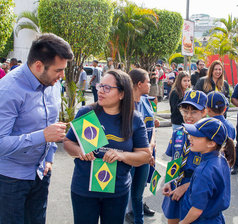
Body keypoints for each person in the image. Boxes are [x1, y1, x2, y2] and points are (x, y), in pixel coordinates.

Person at [0, 33, 73, 224]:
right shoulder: (9, 90)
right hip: (10, 180)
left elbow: (53, 123)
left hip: (41, 174)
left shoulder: (53, 83)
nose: (62, 76)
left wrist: (49, 158)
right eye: (58, 70)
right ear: (38, 65)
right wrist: (42, 136)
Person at [63, 69, 151, 224]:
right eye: (100, 86)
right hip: (84, 189)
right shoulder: (87, 113)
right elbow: (68, 142)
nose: (101, 91)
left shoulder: (134, 119)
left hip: (117, 192)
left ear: (122, 94)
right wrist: (79, 150)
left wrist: (122, 155)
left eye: (107, 88)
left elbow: (145, 155)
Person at [162, 90, 207, 224]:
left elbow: (207, 174)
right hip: (176, 185)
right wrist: (169, 181)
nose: (188, 116)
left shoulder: (207, 138)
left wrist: (185, 187)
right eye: (185, 111)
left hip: (196, 188)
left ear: (204, 112)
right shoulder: (178, 133)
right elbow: (174, 160)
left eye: (194, 112)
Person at [179, 117, 235, 224]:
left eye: (196, 136)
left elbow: (197, 210)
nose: (190, 138)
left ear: (211, 143)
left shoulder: (204, 171)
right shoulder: (221, 159)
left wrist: (182, 223)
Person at [125, 68, 156, 224]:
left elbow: (153, 124)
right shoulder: (126, 105)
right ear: (139, 84)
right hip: (132, 155)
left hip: (147, 154)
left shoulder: (146, 100)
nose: (150, 84)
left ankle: (139, 220)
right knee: (125, 191)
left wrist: (151, 146)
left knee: (139, 192)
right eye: (148, 81)